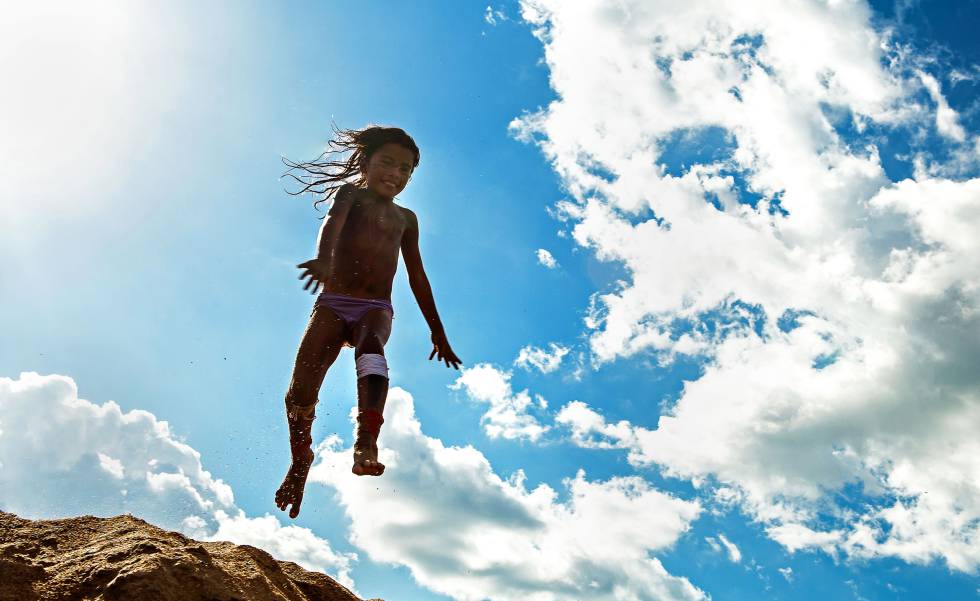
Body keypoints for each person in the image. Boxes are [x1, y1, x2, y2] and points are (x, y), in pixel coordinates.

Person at [275, 125, 462, 519]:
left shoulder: (406, 219)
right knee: (299, 394)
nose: (395, 174)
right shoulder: (351, 196)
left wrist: (438, 331)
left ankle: (366, 442)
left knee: (372, 348)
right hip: (333, 303)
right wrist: (324, 258)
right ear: (365, 162)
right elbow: (331, 223)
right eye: (387, 163)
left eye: (406, 169)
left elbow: (417, 276)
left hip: (374, 307)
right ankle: (300, 458)